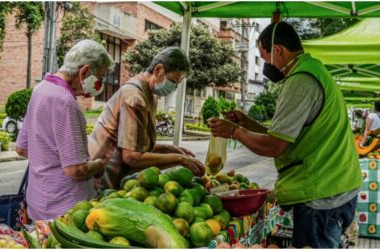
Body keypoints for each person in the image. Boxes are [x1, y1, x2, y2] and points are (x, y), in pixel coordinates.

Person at [209, 22, 362, 248]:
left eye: (264, 57)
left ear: (278, 51)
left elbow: (275, 146)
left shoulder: (300, 81)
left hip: (322, 193)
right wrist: (248, 123)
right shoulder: (315, 70)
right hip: (338, 185)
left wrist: (234, 131)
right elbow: (287, 134)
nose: (265, 65)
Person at [15, 40, 114, 221]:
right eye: (100, 77)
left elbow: (22, 148)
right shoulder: (64, 101)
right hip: (64, 211)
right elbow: (75, 170)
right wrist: (99, 164)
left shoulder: (41, 89)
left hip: (38, 202)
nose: (100, 84)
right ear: (84, 71)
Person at [89, 47, 205, 190]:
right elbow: (132, 156)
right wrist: (180, 160)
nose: (174, 87)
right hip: (102, 179)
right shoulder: (135, 97)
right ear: (158, 70)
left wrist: (169, 149)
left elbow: (139, 143)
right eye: (174, 80)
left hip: (118, 178)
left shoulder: (149, 96)